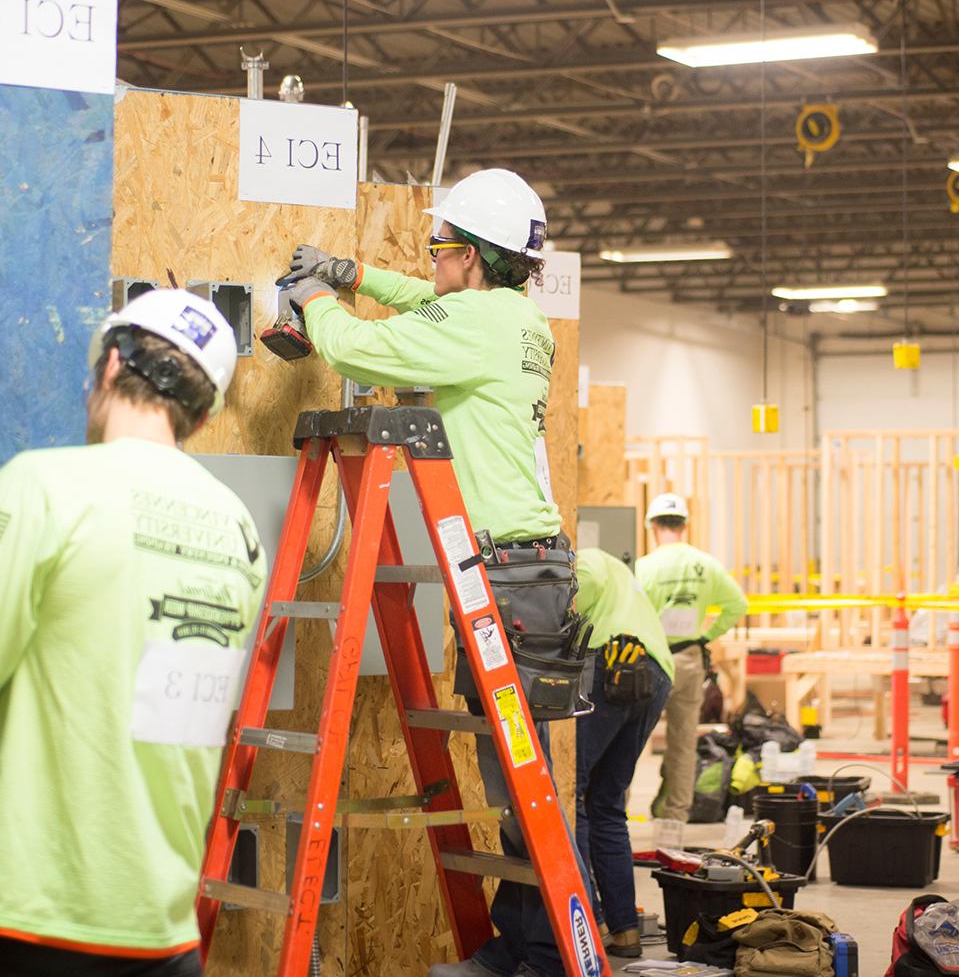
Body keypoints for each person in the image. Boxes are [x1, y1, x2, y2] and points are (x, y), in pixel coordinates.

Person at [0, 289, 263, 977]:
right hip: (163, 934)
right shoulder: (239, 529)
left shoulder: (44, 484)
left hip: (26, 923)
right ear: (201, 415)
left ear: (111, 366)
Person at [282, 167, 584, 977]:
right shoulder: (519, 319)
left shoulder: (477, 325)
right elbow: (428, 302)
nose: (434, 259)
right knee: (518, 784)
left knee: (525, 790)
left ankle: (554, 962)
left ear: (474, 258)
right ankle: (517, 953)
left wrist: (314, 299)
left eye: (440, 247)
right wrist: (352, 275)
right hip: (525, 574)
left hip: (508, 580)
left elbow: (351, 345)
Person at [572, 546, 673, 959]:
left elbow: (585, 584)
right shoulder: (623, 574)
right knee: (606, 801)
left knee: (572, 793)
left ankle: (587, 924)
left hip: (611, 662)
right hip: (654, 674)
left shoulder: (585, 559)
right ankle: (624, 931)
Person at [635, 492, 748, 847]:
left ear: (653, 526)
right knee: (683, 743)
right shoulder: (706, 565)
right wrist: (705, 637)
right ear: (684, 525)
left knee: (632, 740)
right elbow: (737, 605)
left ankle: (612, 815)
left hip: (652, 660)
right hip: (689, 659)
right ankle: (673, 824)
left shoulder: (645, 567)